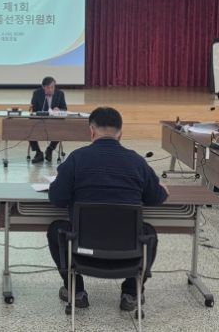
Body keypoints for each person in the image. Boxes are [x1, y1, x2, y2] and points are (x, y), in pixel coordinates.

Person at [47, 107, 169, 312]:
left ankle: (75, 290)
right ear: (120, 134)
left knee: (55, 229)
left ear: (91, 131)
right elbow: (155, 198)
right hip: (127, 253)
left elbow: (57, 199)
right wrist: (161, 189)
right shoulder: (137, 162)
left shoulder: (76, 159)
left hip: (82, 251)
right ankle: (131, 292)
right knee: (149, 233)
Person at [29, 76, 67, 163]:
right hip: (39, 121)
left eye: (52, 87)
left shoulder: (60, 93)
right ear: (43, 87)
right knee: (29, 127)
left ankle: (50, 149)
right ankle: (38, 153)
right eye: (48, 87)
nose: (50, 89)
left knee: (61, 128)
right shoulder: (37, 93)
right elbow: (33, 109)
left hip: (54, 122)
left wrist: (59, 109)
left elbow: (64, 109)